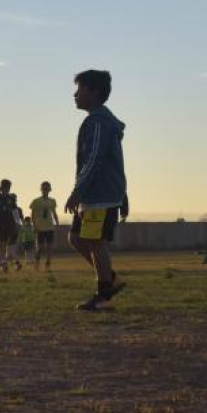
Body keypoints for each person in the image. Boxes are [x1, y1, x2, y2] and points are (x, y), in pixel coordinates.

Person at [66, 70, 129, 311]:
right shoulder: (98, 120)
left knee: (94, 241)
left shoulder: (99, 122)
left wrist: (78, 191)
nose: (75, 95)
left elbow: (95, 159)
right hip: (97, 195)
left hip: (99, 196)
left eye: (79, 90)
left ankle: (103, 295)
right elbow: (116, 162)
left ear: (94, 92)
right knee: (76, 238)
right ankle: (111, 279)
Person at [30, 181, 60, 270]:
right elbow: (32, 214)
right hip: (40, 228)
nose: (45, 190)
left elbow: (54, 213)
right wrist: (34, 225)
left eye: (47, 188)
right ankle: (37, 262)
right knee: (40, 247)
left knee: (50, 247)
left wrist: (57, 223)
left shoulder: (52, 201)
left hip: (50, 227)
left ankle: (48, 264)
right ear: (41, 189)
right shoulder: (36, 201)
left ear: (50, 189)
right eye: (43, 188)